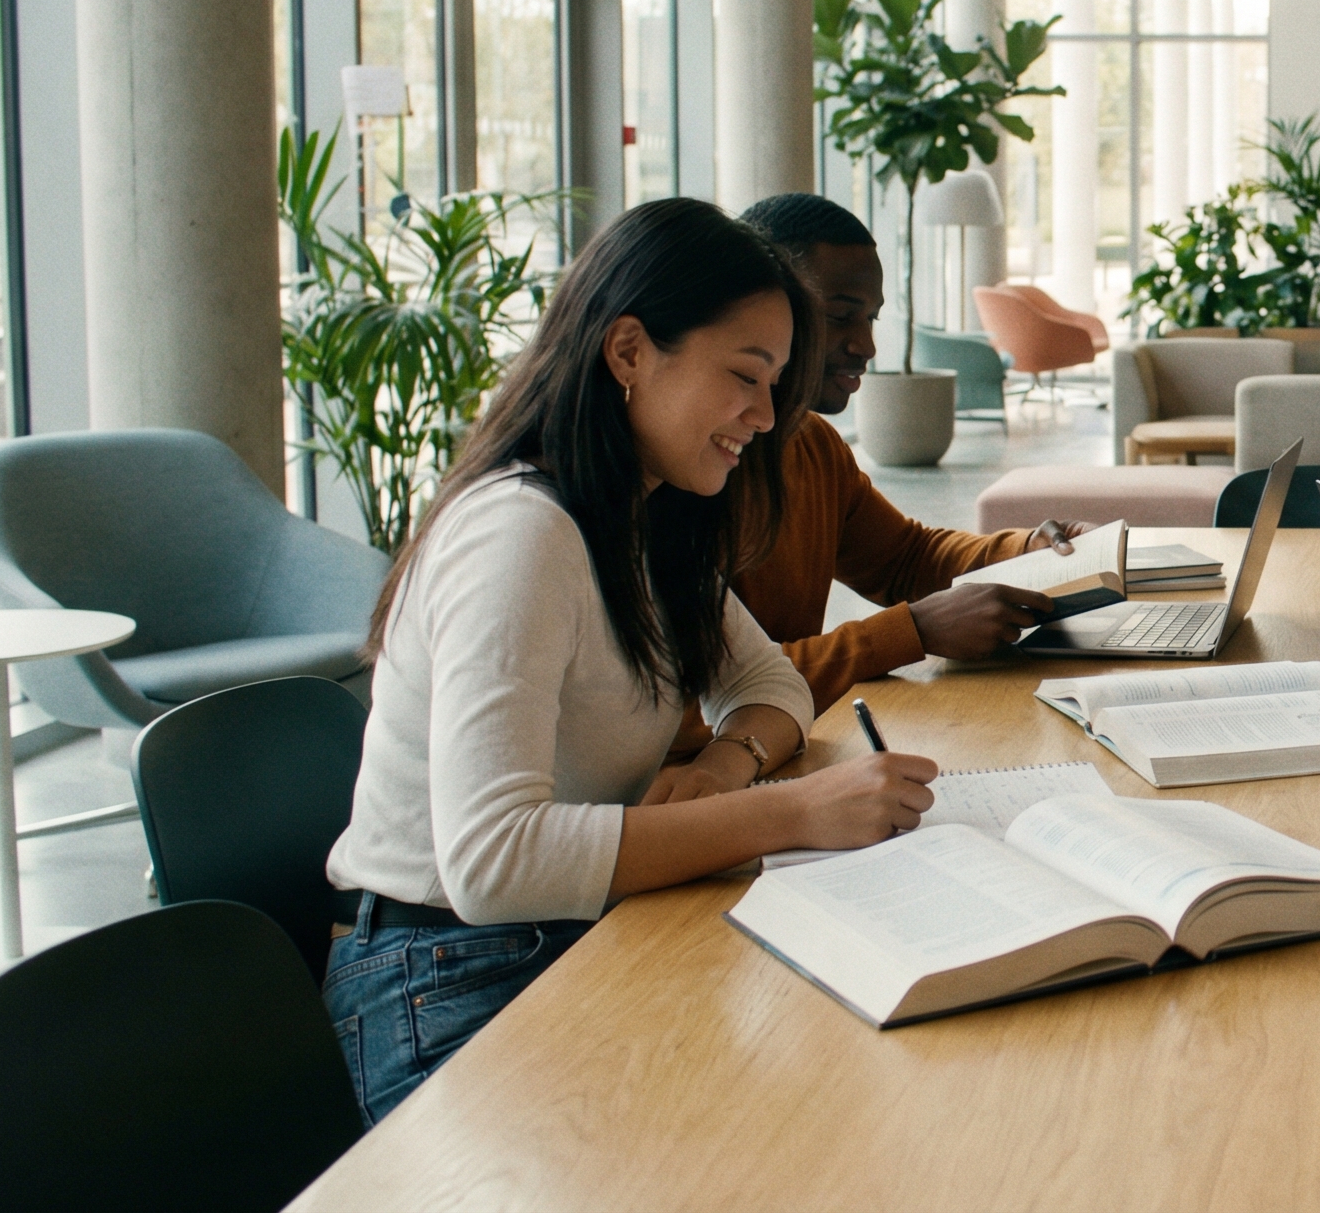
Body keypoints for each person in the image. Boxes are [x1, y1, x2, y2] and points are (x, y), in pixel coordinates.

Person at [323, 199, 940, 1125]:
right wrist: (789, 811)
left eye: (775, 384)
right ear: (628, 353)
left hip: (572, 924)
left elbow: (767, 684)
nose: (768, 418)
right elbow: (493, 860)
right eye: (745, 375)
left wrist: (727, 767)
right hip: (442, 971)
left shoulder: (641, 518)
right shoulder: (521, 533)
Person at [676, 193, 1089, 728]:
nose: (867, 345)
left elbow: (905, 559)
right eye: (842, 317)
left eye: (870, 318)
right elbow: (710, 692)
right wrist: (910, 631)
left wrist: (1030, 548)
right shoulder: (692, 467)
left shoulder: (812, 444)